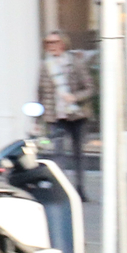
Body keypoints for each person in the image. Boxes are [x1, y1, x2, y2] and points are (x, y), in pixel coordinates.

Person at [35, 29, 94, 182]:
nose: (50, 45)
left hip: (77, 115)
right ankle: (63, 191)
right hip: (56, 116)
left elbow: (90, 88)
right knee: (58, 154)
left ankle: (80, 189)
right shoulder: (45, 66)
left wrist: (74, 97)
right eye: (48, 42)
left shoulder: (75, 63)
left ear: (63, 43)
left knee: (78, 154)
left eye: (54, 42)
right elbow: (40, 93)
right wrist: (37, 120)